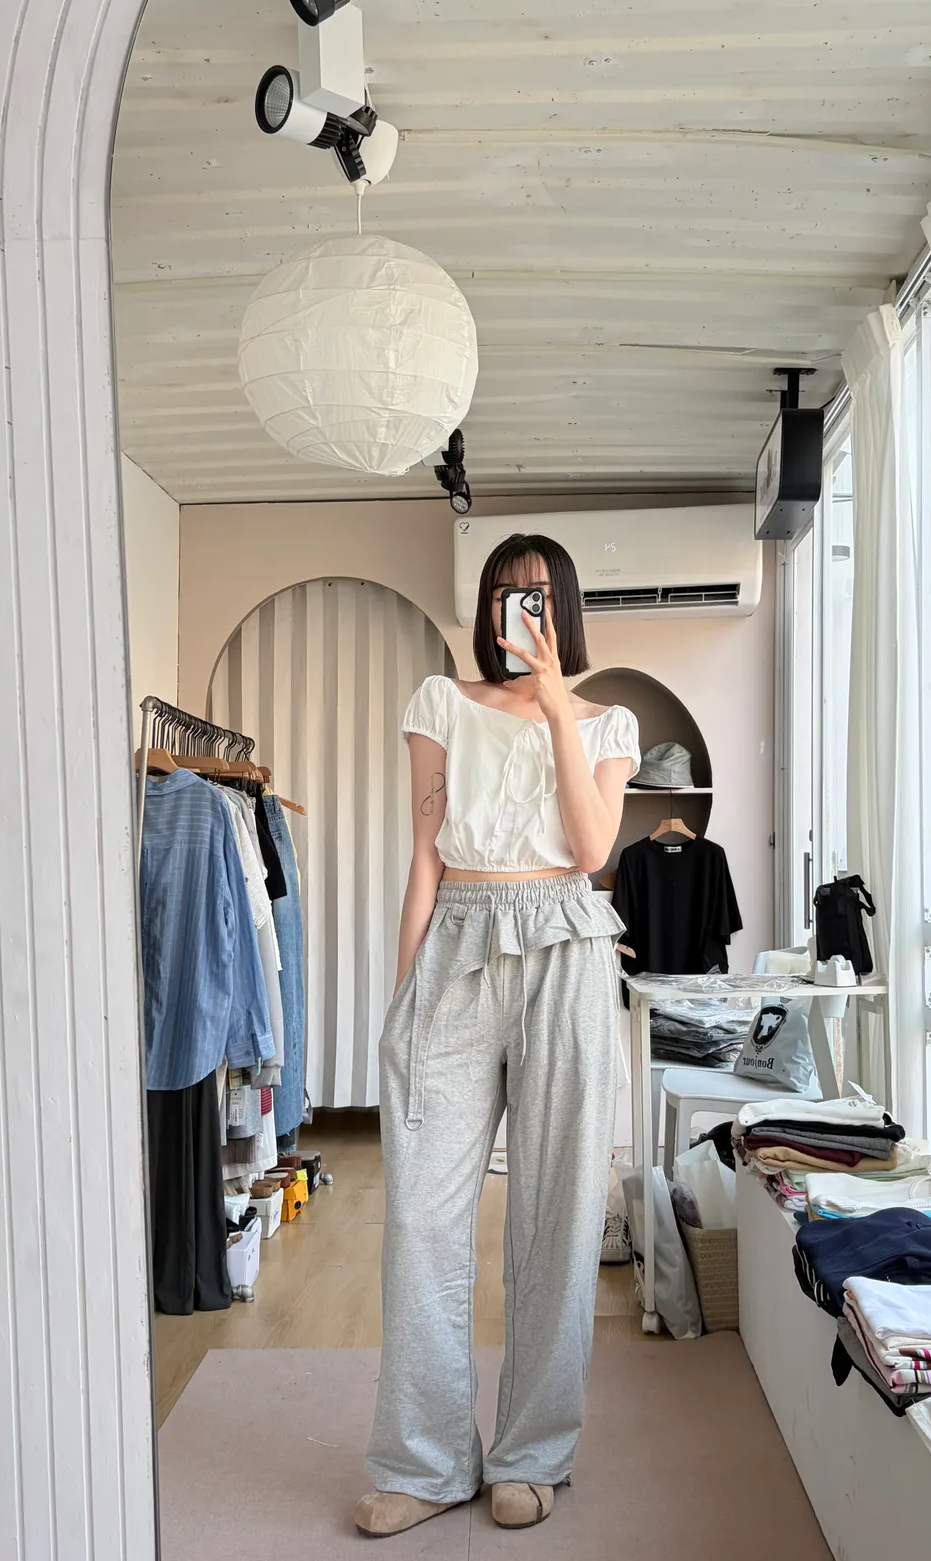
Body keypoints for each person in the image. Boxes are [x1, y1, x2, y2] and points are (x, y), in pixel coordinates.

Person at [355, 533, 640, 1538]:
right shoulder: (440, 701)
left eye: (539, 594)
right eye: (505, 593)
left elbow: (592, 849)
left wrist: (558, 702)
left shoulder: (608, 722)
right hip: (459, 941)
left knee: (558, 1213)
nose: (522, 608)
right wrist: (404, 998)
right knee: (420, 1216)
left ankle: (532, 1453)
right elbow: (426, 852)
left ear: (565, 606)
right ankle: (425, 1461)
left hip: (566, 939)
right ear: (486, 608)